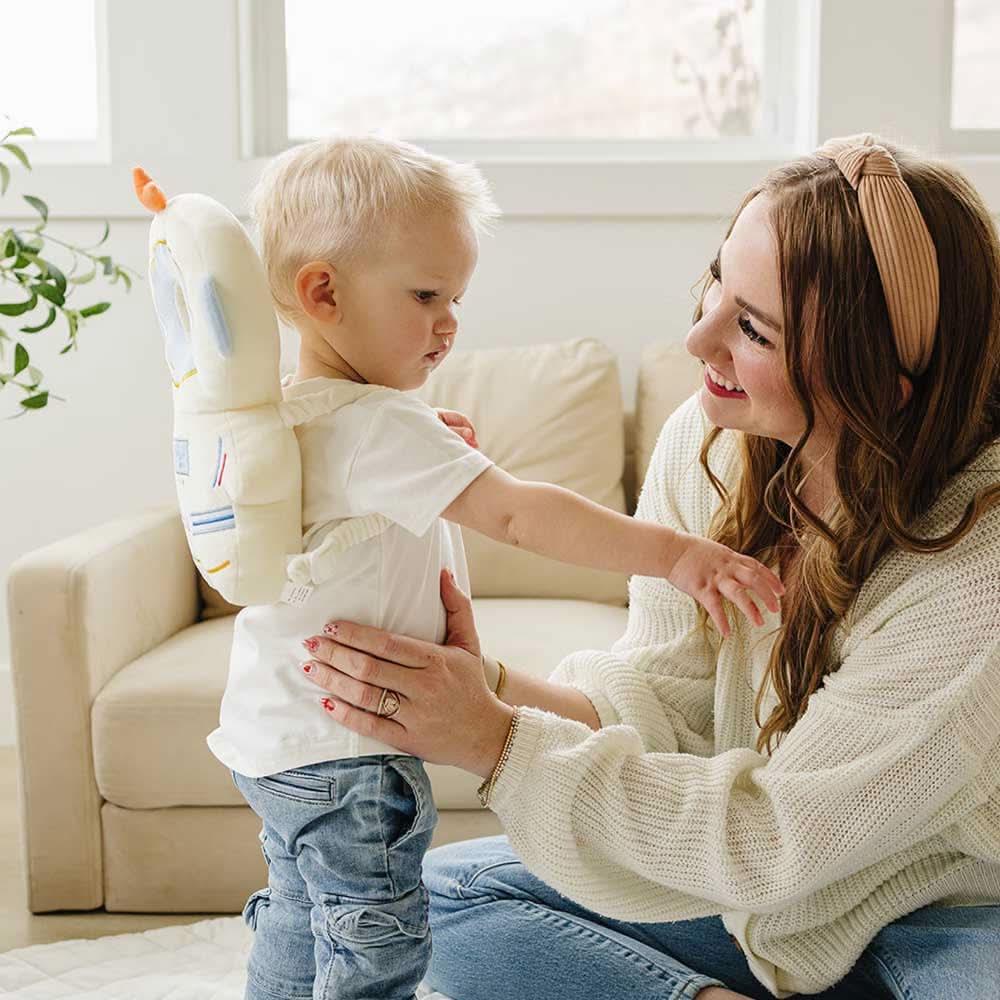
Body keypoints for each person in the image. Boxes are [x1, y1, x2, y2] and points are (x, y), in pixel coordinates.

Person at [298, 133, 1000, 1000]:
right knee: (439, 899)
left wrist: (494, 741)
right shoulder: (713, 438)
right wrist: (482, 688)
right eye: (718, 283)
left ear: (880, 385)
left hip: (944, 918)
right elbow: (664, 702)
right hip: (754, 909)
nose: (697, 337)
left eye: (752, 328)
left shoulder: (979, 569)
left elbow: (777, 838)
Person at [208, 135, 784, 1000]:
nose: (449, 323)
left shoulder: (302, 421)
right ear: (321, 291)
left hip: (273, 739)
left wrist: (422, 440)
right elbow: (520, 512)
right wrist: (676, 554)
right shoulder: (381, 431)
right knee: (381, 948)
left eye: (457, 298)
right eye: (427, 295)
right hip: (351, 746)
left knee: (300, 916)